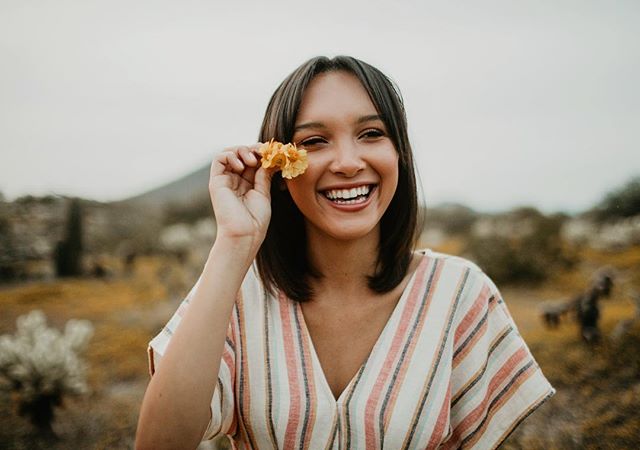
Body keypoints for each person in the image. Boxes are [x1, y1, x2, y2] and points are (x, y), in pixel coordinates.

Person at [135, 56, 555, 450]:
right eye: (315, 141)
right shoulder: (236, 295)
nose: (349, 162)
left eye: (371, 134)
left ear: (399, 154)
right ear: (280, 168)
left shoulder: (461, 293)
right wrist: (234, 242)